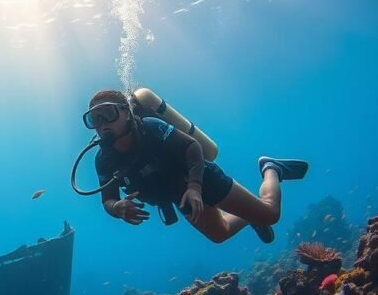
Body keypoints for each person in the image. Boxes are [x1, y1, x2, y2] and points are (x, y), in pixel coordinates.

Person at [86, 89, 308, 243]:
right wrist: (117, 208)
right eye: (95, 119)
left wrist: (195, 187)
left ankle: (271, 168)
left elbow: (192, 146)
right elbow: (107, 198)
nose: (103, 124)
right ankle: (250, 216)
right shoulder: (103, 160)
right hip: (178, 195)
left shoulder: (150, 128)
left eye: (108, 114)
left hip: (201, 178)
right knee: (220, 233)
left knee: (270, 214)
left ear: (126, 112)